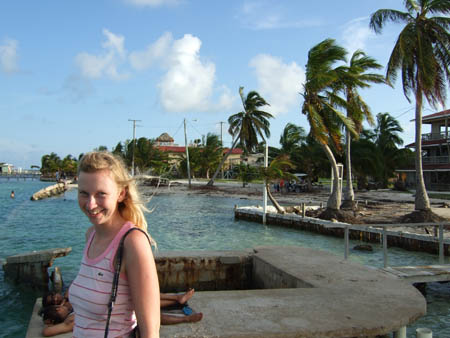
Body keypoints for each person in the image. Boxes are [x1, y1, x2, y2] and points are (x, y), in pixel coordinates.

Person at [68, 151, 160, 337]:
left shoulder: (133, 242)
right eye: (84, 193)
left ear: (121, 193)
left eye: (101, 194)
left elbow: (150, 331)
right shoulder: (91, 235)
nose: (91, 204)